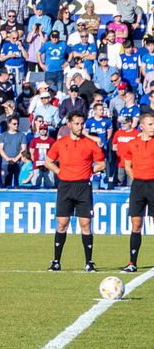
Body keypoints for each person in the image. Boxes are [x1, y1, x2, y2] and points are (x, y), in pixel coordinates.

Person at [43, 112, 105, 272]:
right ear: (69, 124)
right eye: (77, 123)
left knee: (85, 224)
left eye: (82, 123)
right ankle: (56, 261)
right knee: (62, 223)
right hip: (65, 186)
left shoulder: (90, 143)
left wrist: (89, 170)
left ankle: (89, 262)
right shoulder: (60, 143)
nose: (80, 126)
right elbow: (48, 161)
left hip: (83, 186)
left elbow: (102, 164)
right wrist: (59, 172)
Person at [117, 110, 154, 272]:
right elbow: (127, 165)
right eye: (150, 124)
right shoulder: (132, 143)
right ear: (142, 126)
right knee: (136, 224)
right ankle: (132, 262)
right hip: (138, 186)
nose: (153, 127)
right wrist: (137, 178)